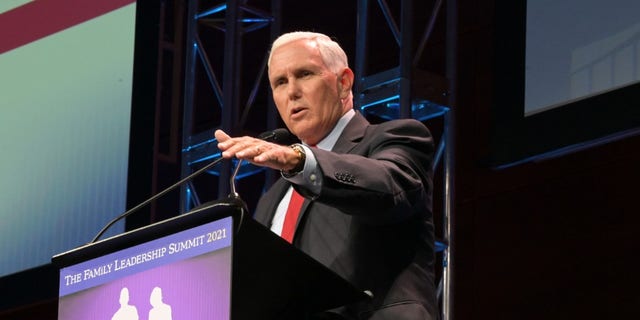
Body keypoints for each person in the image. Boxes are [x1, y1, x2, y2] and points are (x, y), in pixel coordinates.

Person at [215, 31, 438, 320]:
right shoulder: (273, 198)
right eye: (280, 82)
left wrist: (299, 160)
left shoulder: (396, 138)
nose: (292, 91)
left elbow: (390, 187)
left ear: (344, 82)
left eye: (304, 74)